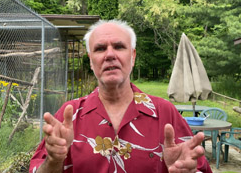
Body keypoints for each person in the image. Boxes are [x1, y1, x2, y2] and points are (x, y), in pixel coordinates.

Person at [29, 19, 212, 173]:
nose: (110, 55)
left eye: (119, 46)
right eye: (100, 49)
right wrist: (53, 161)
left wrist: (186, 170)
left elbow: (198, 167)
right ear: (91, 60)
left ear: (132, 56)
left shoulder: (165, 113)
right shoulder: (69, 115)